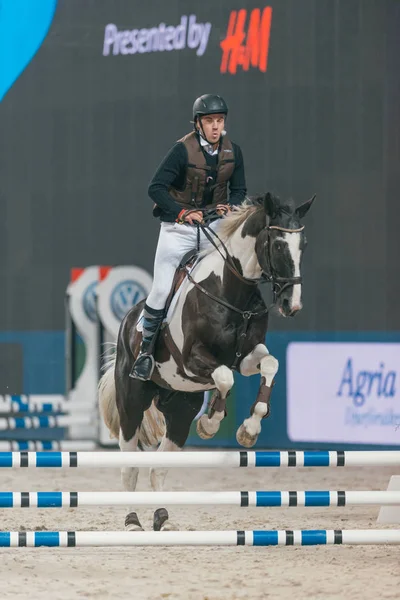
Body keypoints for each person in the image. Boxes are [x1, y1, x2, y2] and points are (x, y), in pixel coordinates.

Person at [130, 94, 247, 381]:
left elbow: (240, 190)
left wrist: (230, 206)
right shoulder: (181, 151)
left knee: (235, 275)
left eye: (219, 121)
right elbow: (155, 188)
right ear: (198, 124)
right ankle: (145, 353)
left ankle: (241, 334)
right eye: (209, 121)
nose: (216, 127)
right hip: (178, 230)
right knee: (160, 290)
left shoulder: (234, 151)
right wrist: (182, 212)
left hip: (213, 228)